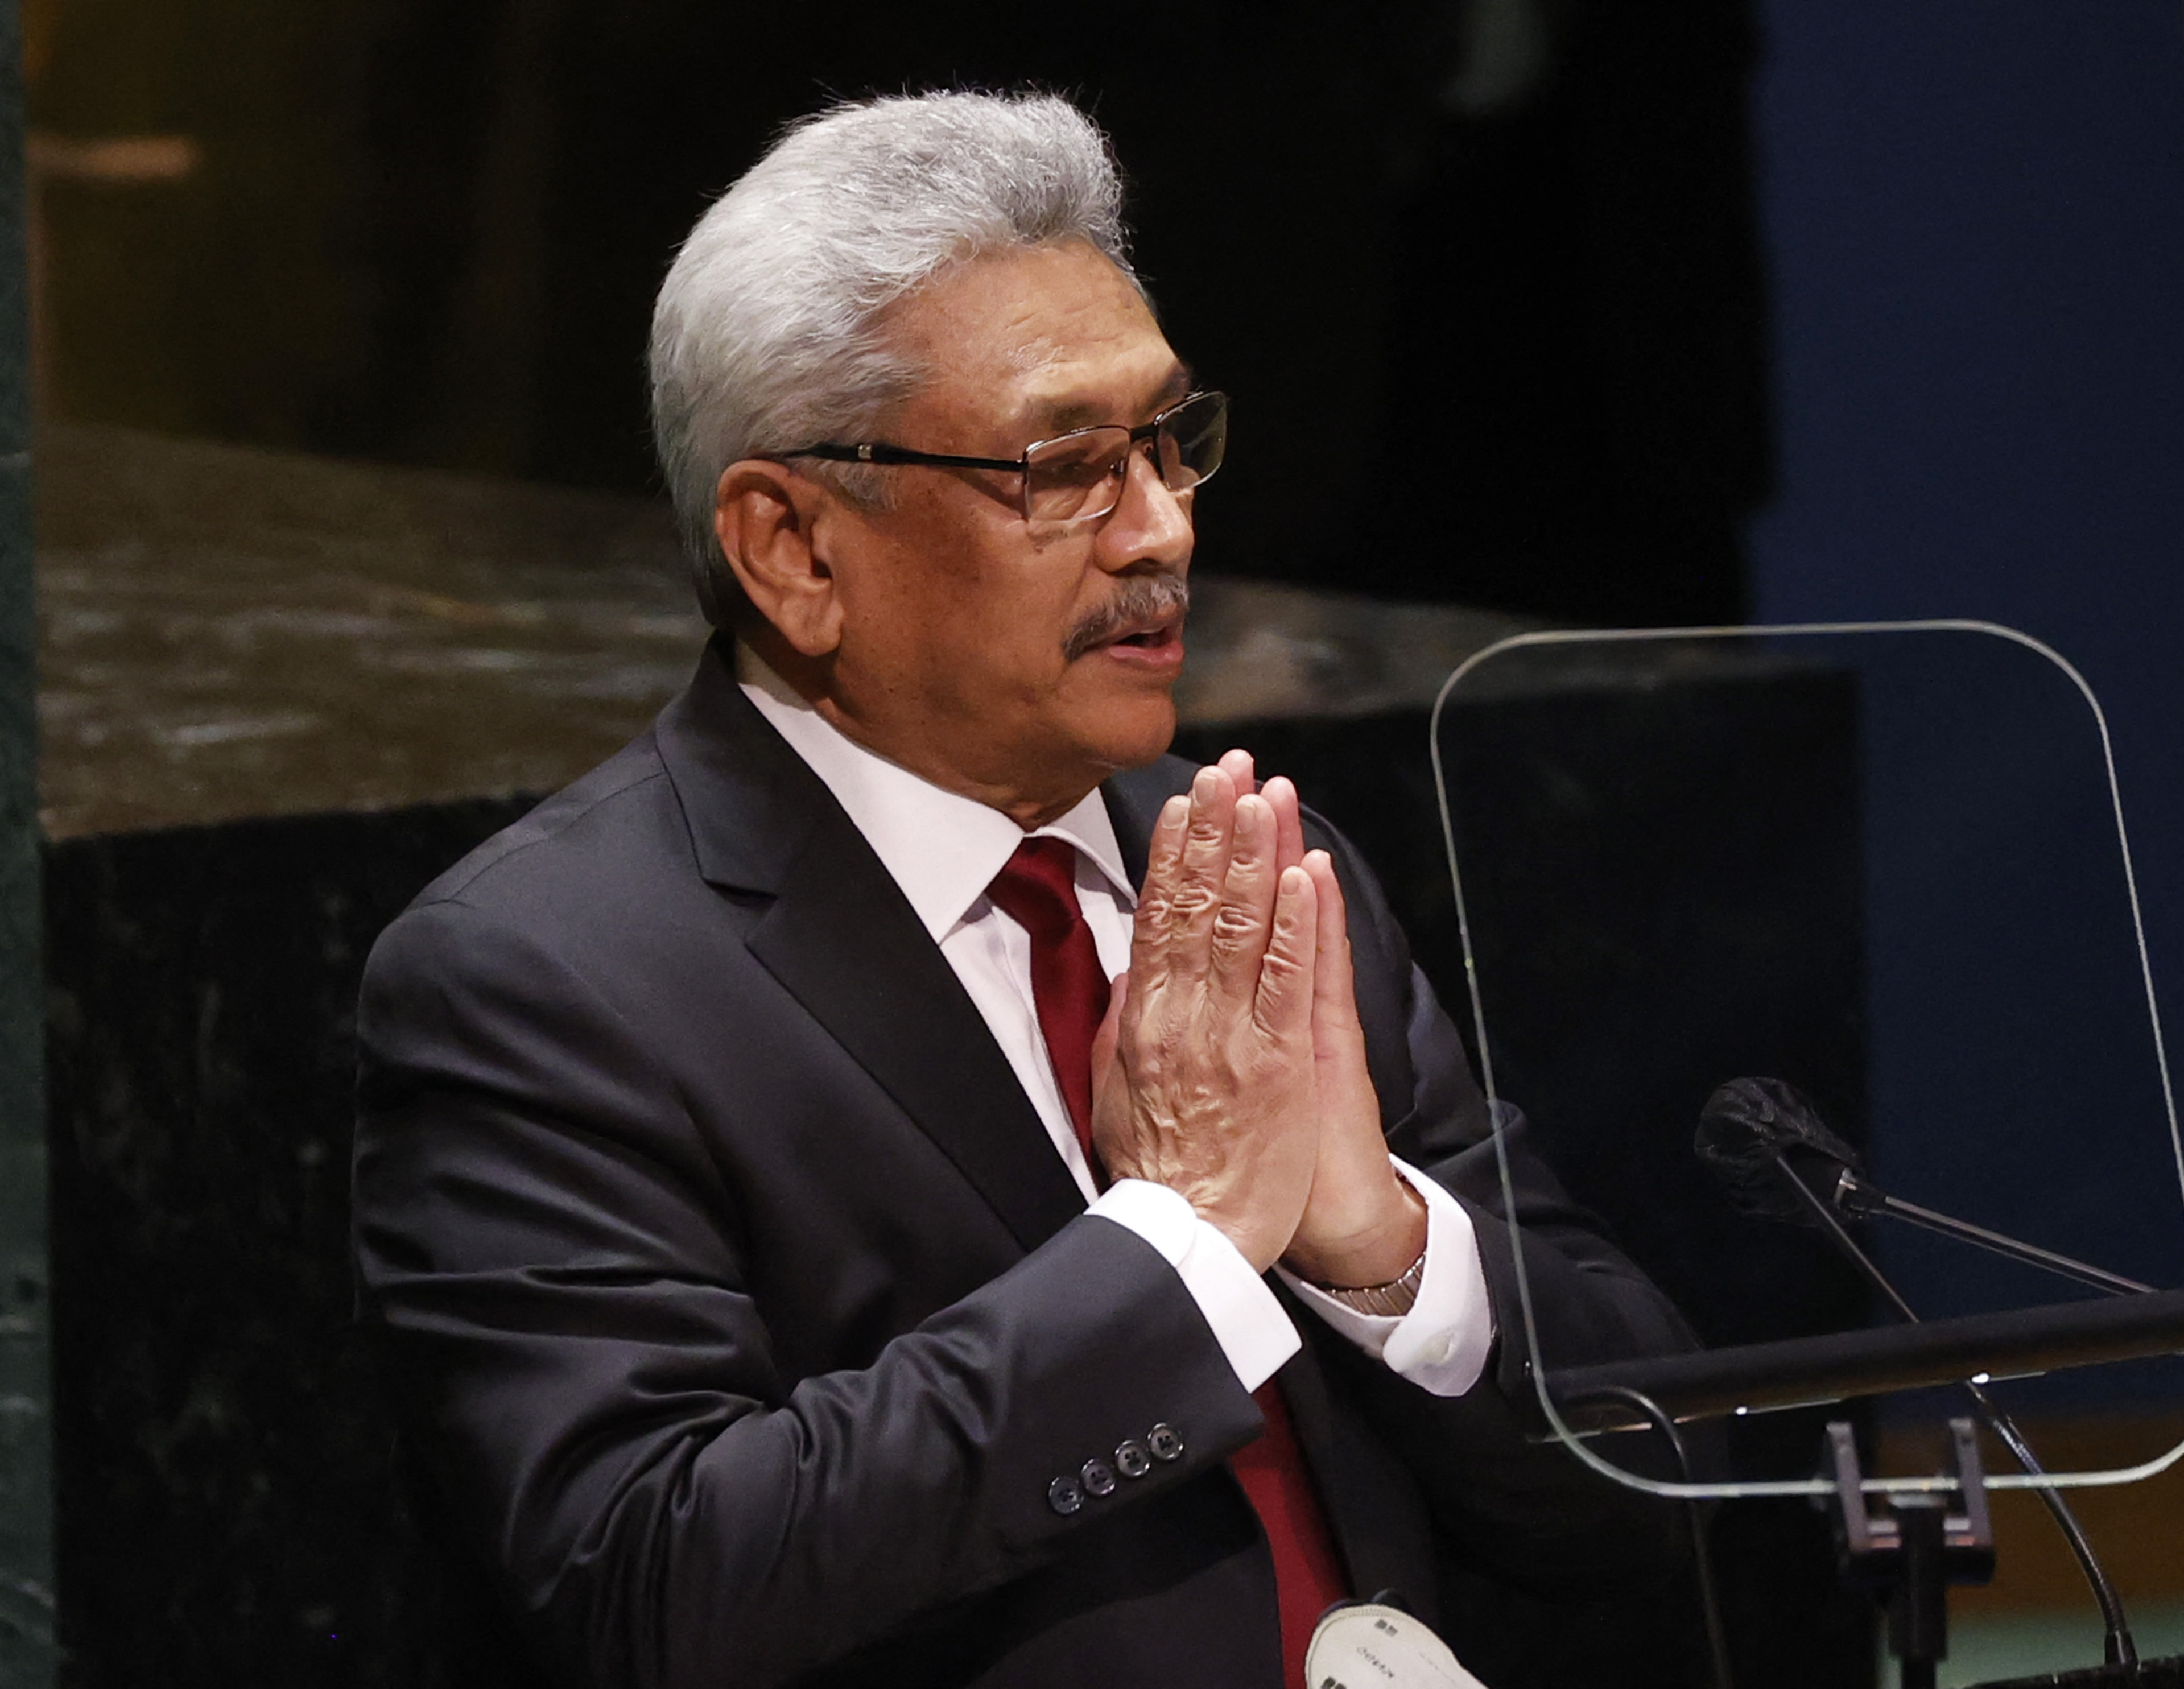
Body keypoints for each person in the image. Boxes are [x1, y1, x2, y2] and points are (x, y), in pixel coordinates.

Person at [352, 90, 1693, 1689]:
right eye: (1065, 467)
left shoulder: (1260, 871)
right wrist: (1182, 1245)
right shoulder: (545, 978)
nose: (1163, 527)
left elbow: (1659, 1479)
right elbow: (659, 1576)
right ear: (794, 547)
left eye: (1169, 439)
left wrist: (1383, 1245)